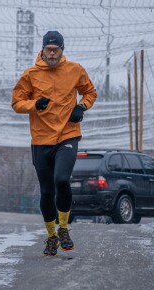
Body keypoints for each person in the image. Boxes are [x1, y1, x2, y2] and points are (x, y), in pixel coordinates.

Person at [12, 31, 97, 256]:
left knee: (61, 179)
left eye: (56, 49)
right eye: (48, 49)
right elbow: (16, 102)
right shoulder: (30, 74)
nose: (52, 53)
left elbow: (90, 92)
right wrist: (34, 105)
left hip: (67, 135)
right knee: (47, 190)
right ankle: (51, 237)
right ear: (42, 49)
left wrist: (81, 107)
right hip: (41, 139)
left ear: (62, 50)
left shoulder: (75, 70)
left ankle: (64, 229)